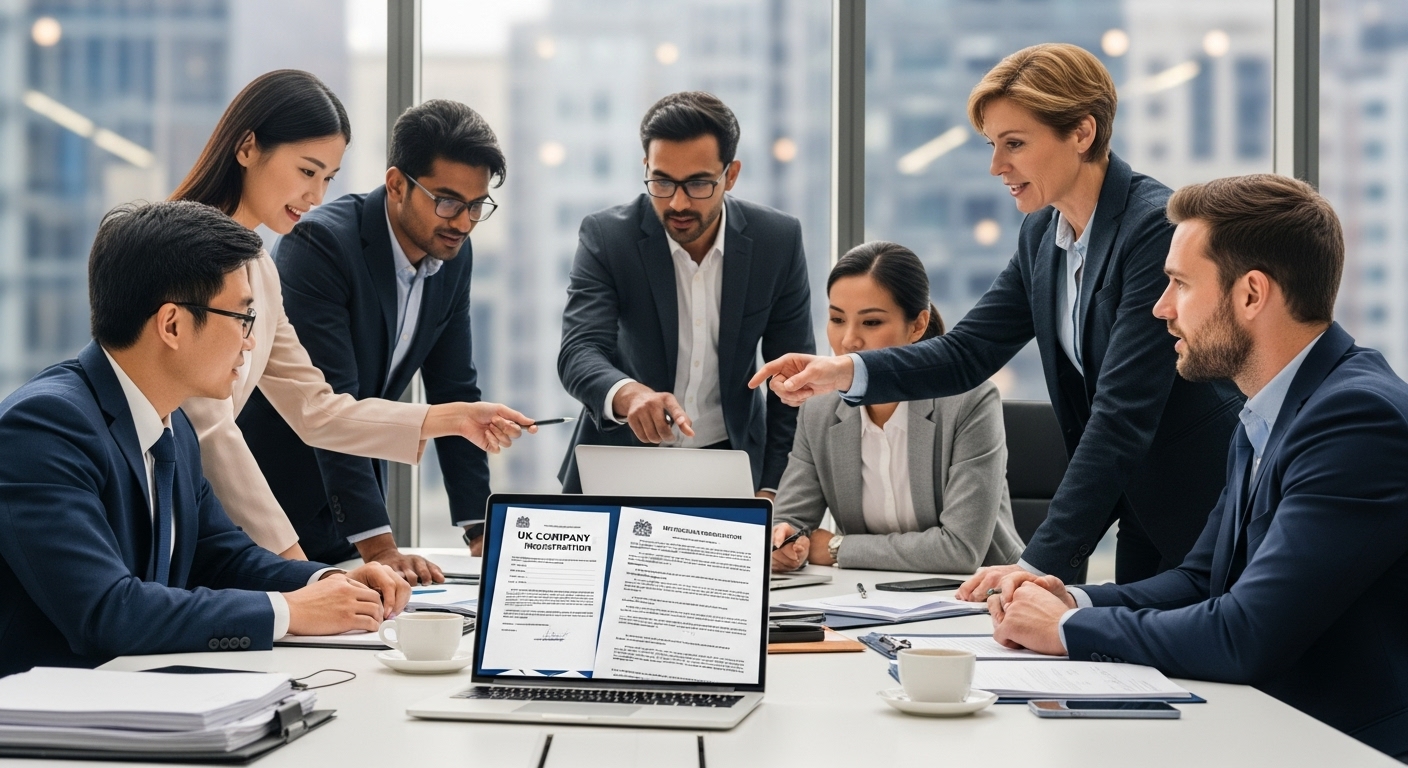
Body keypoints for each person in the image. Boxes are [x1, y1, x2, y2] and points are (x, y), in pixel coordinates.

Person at [750, 44, 1242, 589]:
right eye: (992, 145)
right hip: (1140, 505)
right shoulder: (1043, 236)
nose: (996, 166)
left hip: (1203, 501)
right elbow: (967, 353)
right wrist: (842, 372)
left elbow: (1120, 416)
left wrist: (1036, 565)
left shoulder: (1151, 230)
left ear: (1082, 132)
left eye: (1014, 144)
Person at [986, 174, 1408, 759]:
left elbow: (1245, 633)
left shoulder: (1355, 420)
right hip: (1266, 724)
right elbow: (1198, 580)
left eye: (1180, 284)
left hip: (1341, 744)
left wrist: (1064, 631)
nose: (1161, 309)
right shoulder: (1268, 409)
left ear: (1252, 294)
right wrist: (1072, 601)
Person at [0, 201, 412, 677]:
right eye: (242, 317)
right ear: (172, 324)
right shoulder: (44, 427)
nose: (250, 341)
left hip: (133, 700)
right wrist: (290, 611)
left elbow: (221, 556)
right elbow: (107, 611)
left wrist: (329, 581)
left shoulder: (171, 425)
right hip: (45, 732)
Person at [172, 70, 530, 582]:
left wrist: (450, 419)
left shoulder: (259, 266)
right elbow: (212, 431)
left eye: (328, 178)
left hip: (223, 517)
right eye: (306, 170)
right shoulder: (185, 249)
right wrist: (304, 572)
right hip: (182, 507)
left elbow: (317, 409)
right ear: (247, 147)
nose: (315, 195)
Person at [557, 91, 814, 496]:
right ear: (646, 167)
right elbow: (579, 351)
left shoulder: (776, 241)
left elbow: (792, 381)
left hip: (732, 469)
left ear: (731, 175)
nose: (677, 202)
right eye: (661, 181)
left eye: (697, 184)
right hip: (618, 465)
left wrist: (772, 489)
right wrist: (628, 394)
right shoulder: (608, 237)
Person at [769, 242, 1023, 573]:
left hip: (979, 597)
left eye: (871, 322)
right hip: (864, 600)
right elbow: (792, 519)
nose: (848, 341)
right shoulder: (820, 408)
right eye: (836, 319)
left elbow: (959, 549)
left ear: (917, 325)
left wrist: (835, 547)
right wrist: (787, 542)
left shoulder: (968, 400)